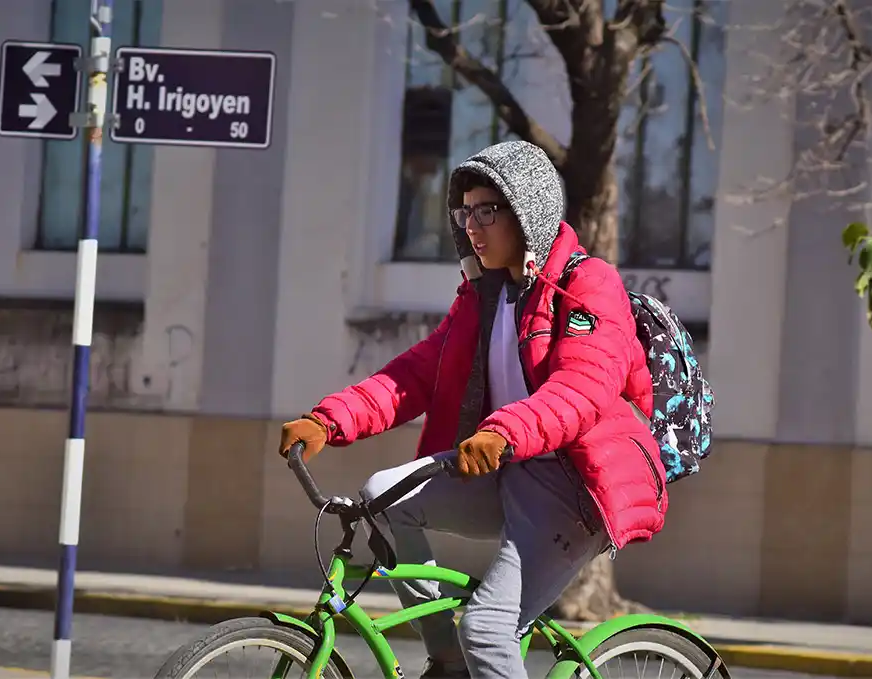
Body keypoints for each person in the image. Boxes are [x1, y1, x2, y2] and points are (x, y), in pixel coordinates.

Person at [279, 140, 669, 679]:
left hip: (573, 488)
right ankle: (448, 662)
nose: (473, 226)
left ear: (528, 212)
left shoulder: (586, 284)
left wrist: (504, 432)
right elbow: (415, 374)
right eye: (466, 212)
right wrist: (330, 419)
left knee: (487, 628)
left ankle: (470, 651)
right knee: (381, 498)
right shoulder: (484, 296)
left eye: (488, 210)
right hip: (505, 467)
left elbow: (584, 386)